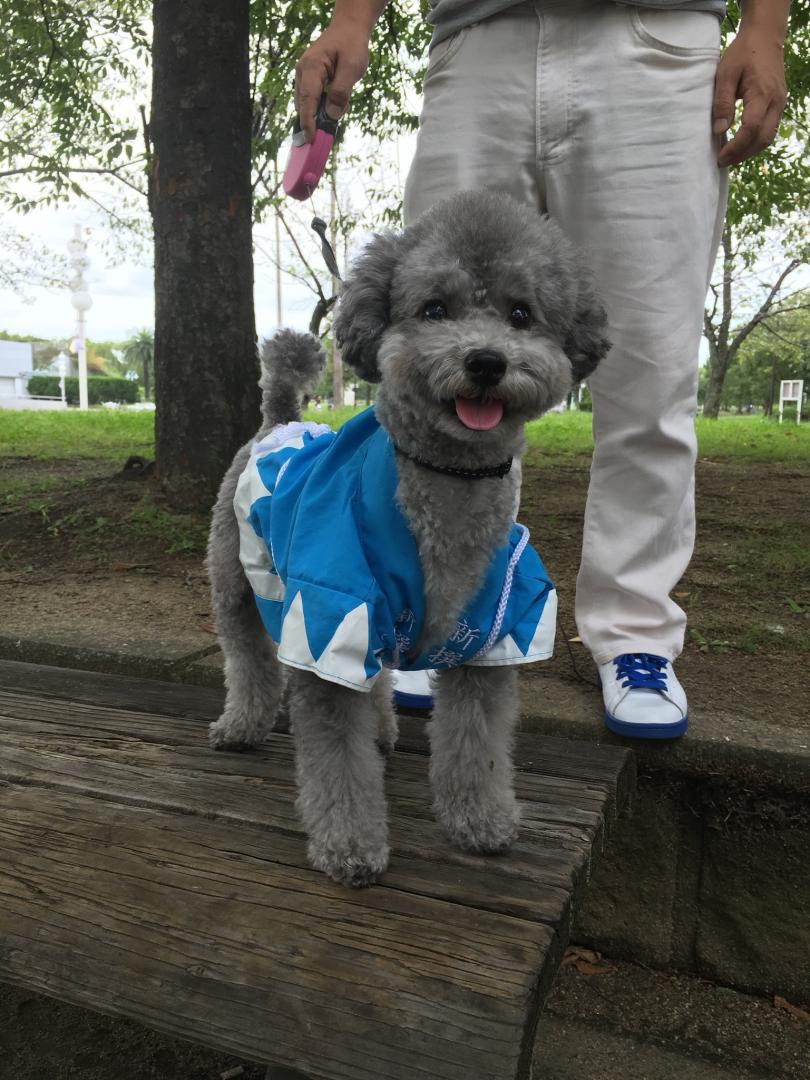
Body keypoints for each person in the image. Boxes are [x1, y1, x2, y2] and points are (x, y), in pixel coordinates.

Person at [293, 0, 789, 738]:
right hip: (476, 32)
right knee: (430, 365)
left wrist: (765, 27)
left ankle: (637, 635)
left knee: (651, 372)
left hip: (659, 40)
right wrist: (352, 18)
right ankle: (432, 617)